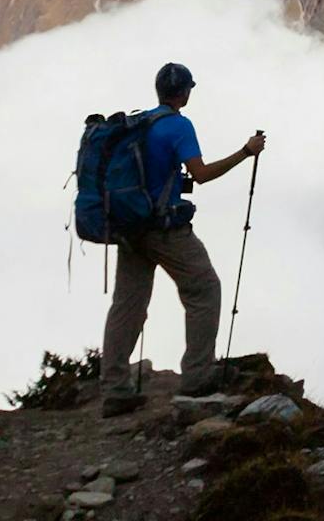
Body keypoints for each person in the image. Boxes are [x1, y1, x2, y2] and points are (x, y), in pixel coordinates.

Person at [101, 61, 266, 416]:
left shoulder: (139, 122)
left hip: (130, 225)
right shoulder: (178, 126)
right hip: (164, 229)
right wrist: (246, 152)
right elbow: (202, 174)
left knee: (127, 305)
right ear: (184, 92)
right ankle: (197, 376)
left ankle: (114, 389)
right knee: (204, 289)